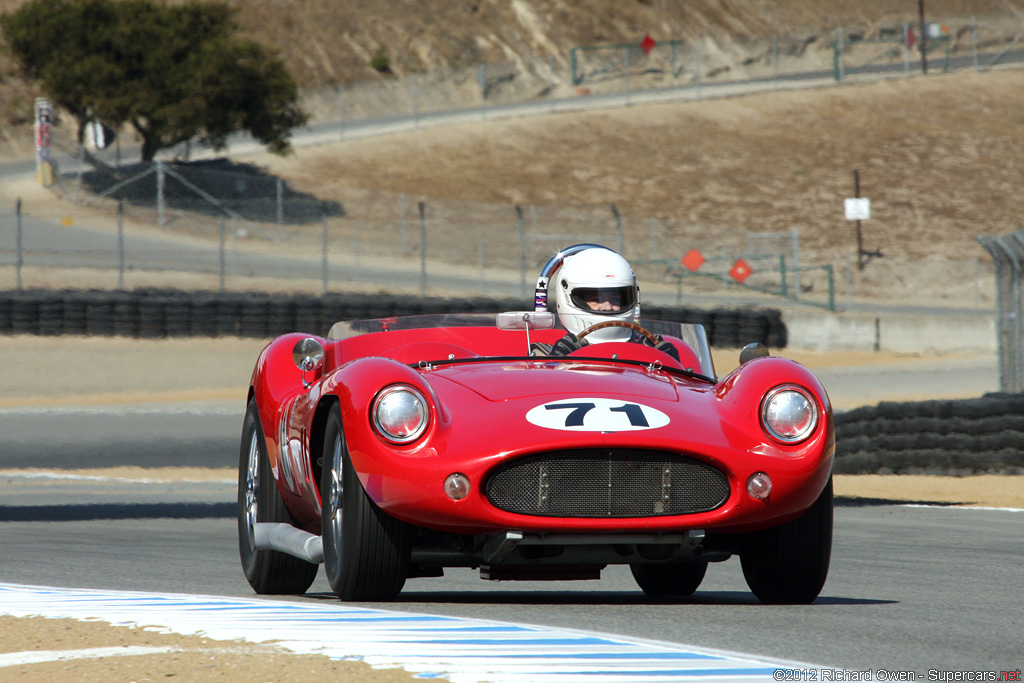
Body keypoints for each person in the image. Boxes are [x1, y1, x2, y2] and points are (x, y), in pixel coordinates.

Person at [531, 244, 680, 360]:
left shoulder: (650, 348)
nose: (607, 307)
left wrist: (669, 364)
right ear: (567, 296)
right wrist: (556, 364)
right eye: (596, 299)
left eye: (616, 299)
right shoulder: (543, 353)